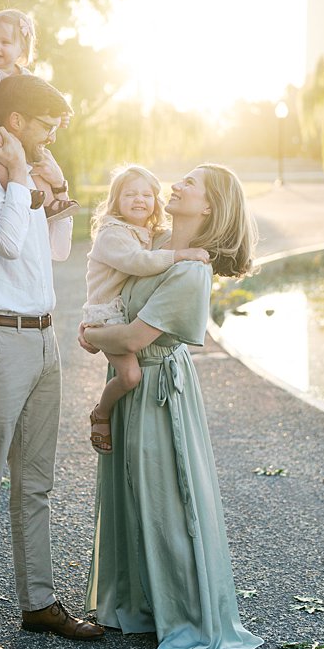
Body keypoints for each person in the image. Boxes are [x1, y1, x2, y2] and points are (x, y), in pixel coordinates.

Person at [0, 73, 103, 649]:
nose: (52, 135)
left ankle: (37, 603)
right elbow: (8, 241)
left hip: (42, 341)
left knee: (36, 482)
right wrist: (17, 180)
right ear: (15, 123)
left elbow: (51, 250)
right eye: (46, 126)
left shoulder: (24, 175)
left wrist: (53, 200)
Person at [79, 164, 265, 649]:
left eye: (191, 183)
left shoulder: (189, 269)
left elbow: (137, 338)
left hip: (161, 389)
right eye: (180, 178)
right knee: (130, 493)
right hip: (131, 382)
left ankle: (184, 612)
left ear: (208, 207)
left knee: (168, 499)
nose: (176, 184)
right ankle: (140, 604)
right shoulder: (154, 242)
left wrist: (90, 335)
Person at [83, 165, 210, 454]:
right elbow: (139, 263)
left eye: (146, 194)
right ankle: (101, 412)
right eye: (130, 194)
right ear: (115, 201)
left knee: (130, 375)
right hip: (106, 315)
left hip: (119, 311)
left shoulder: (146, 232)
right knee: (130, 377)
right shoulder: (112, 234)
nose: (139, 200)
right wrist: (180, 255)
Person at [0, 8, 79, 221]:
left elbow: (42, 102)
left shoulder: (25, 76)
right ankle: (20, 191)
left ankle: (50, 203)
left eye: (5, 42)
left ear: (22, 48)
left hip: (5, 129)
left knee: (35, 159)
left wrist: (59, 116)